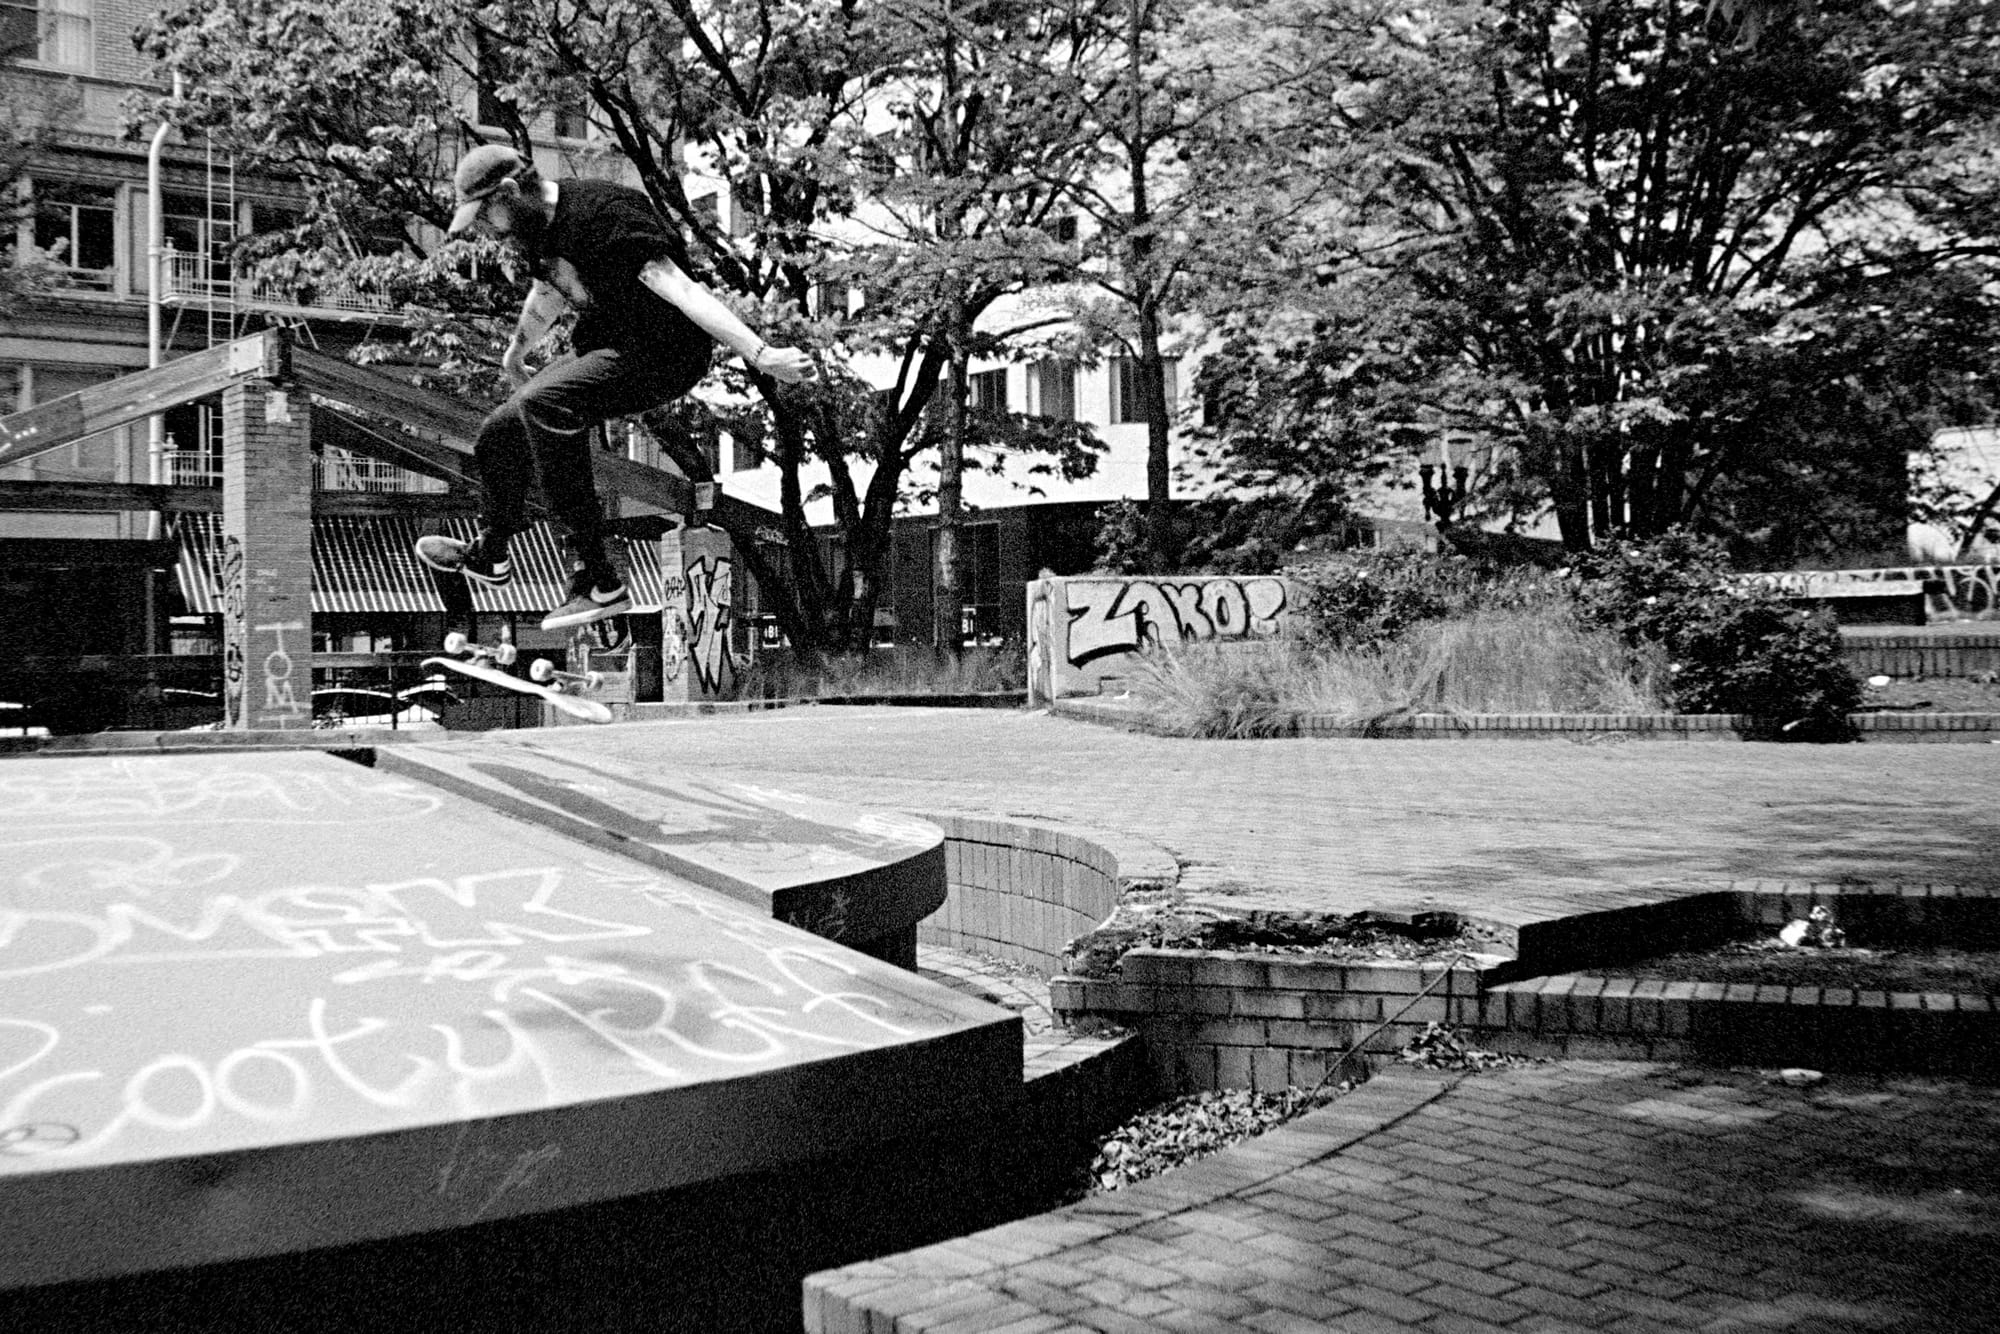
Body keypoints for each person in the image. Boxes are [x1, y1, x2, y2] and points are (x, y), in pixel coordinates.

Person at [415, 143, 815, 630]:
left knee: (546, 405)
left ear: (509, 191)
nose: (483, 228)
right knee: (501, 428)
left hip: (665, 353)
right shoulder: (536, 230)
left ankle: (598, 581)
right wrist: (517, 351)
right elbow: (548, 292)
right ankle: (491, 553)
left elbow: (683, 289)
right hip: (607, 347)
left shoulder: (606, 215)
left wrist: (761, 354)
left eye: (485, 215)